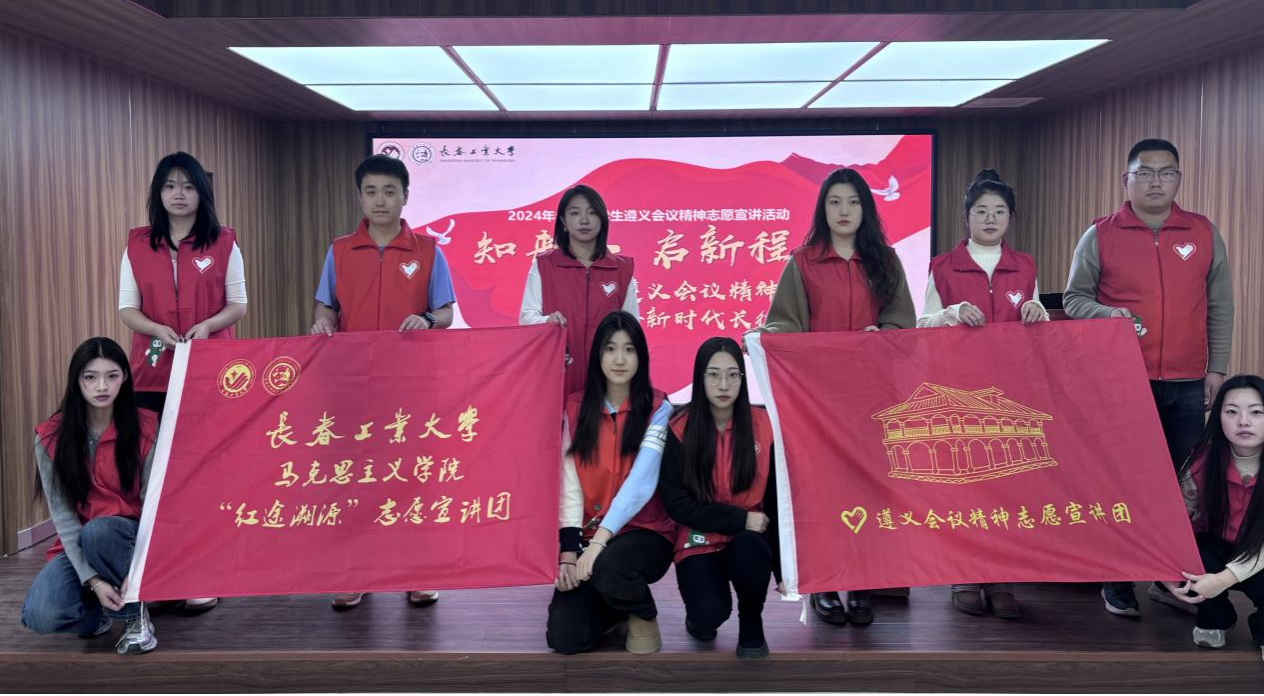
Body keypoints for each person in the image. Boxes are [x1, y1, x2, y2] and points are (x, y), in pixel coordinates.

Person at [1064, 138, 1234, 617]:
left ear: (1178, 179)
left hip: (1188, 381)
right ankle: (1117, 580)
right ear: (1127, 180)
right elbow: (1074, 299)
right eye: (1145, 172)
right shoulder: (1100, 234)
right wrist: (1108, 313)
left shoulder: (1203, 232)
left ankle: (1168, 576)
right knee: (1121, 480)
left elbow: (1221, 305)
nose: (1155, 181)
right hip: (1121, 381)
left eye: (1166, 172)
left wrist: (1217, 368)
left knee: (1182, 486)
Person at [752, 167, 916, 625]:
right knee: (820, 492)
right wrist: (766, 337)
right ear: (822, 209)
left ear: (867, 208)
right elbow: (785, 322)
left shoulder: (886, 261)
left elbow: (902, 322)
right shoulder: (802, 262)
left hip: (870, 400)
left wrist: (882, 333)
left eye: (853, 202)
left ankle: (862, 583)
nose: (844, 211)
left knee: (867, 490)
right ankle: (823, 585)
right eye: (835, 202)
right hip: (817, 403)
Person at [310, 153, 456, 609]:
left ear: (405, 196)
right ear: (359, 197)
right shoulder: (339, 250)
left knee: (413, 478)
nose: (380, 200)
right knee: (355, 480)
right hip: (352, 385)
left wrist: (426, 319)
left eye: (389, 192)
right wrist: (323, 321)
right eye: (371, 191)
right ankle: (358, 572)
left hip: (411, 386)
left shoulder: (428, 250)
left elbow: (446, 313)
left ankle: (417, 572)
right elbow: (326, 306)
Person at [21, 337, 160, 654]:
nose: (102, 386)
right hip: (80, 542)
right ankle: (100, 613)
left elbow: (154, 505)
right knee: (40, 615)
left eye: (112, 376)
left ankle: (136, 616)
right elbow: (64, 518)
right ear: (77, 380)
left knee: (100, 531)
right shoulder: (50, 436)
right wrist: (93, 581)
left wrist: (140, 570)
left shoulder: (146, 427)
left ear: (124, 377)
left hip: (129, 539)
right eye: (90, 377)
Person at [547, 311, 675, 655]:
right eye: (610, 349)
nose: (619, 359)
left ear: (641, 356)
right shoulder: (575, 408)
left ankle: (643, 612)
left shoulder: (659, 408)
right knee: (565, 638)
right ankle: (615, 604)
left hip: (645, 533)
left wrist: (598, 545)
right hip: (590, 538)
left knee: (611, 567)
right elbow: (570, 486)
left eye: (629, 349)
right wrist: (569, 555)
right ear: (598, 355)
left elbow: (639, 485)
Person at [659, 337, 781, 658]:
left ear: (743, 377)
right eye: (713, 375)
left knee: (751, 549)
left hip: (747, 538)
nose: (723, 385)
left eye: (732, 375)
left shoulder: (764, 426)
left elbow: (776, 500)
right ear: (700, 378)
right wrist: (739, 518)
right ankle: (699, 619)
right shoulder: (680, 429)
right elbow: (676, 502)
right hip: (698, 539)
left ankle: (751, 623)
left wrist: (784, 571)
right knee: (709, 614)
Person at [1163, 375, 1263, 660]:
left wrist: (1225, 579)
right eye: (1231, 411)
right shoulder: (1202, 463)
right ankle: (1215, 618)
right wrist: (1166, 573)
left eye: (1256, 412)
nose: (1243, 421)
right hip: (1217, 550)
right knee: (1195, 555)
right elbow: (1173, 524)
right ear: (1218, 417)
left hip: (1261, 556)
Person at [520, 184, 639, 395]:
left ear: (602, 219)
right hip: (556, 374)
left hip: (608, 378)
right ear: (563, 221)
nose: (584, 220)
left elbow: (632, 327)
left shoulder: (621, 269)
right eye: (575, 213)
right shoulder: (545, 265)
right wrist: (547, 321)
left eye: (592, 213)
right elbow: (526, 317)